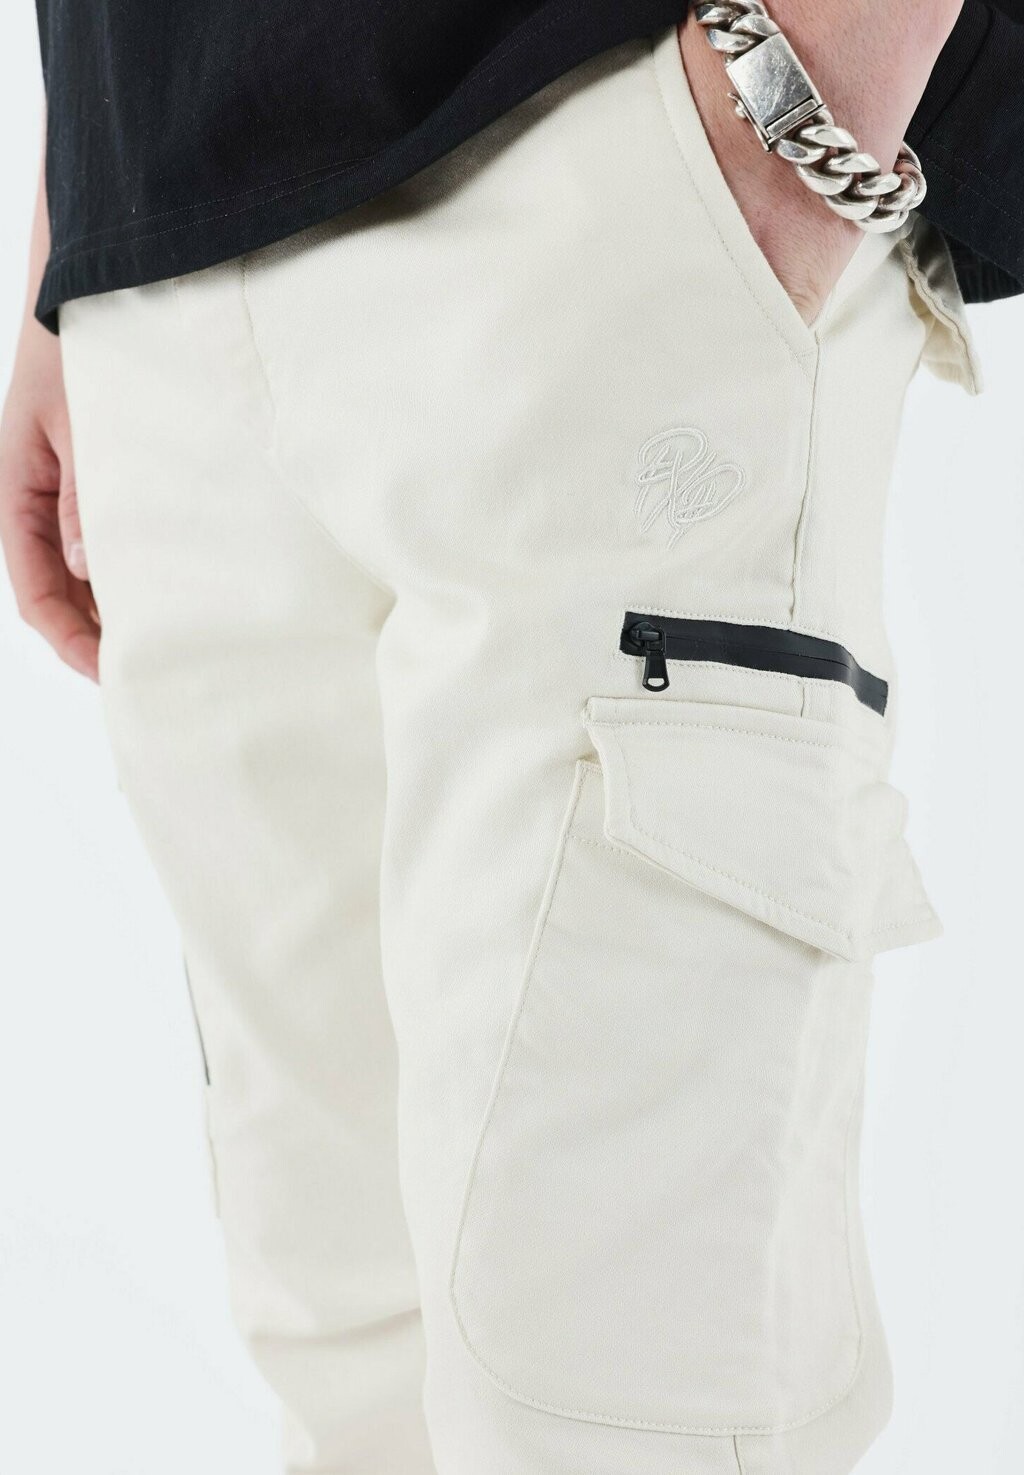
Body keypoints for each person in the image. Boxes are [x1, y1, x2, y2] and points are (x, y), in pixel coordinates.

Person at [1, 3, 1020, 1473]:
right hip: (154, 236)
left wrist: (796, 103)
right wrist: (65, 238)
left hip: (599, 139)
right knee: (350, 1369)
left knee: (617, 1403)